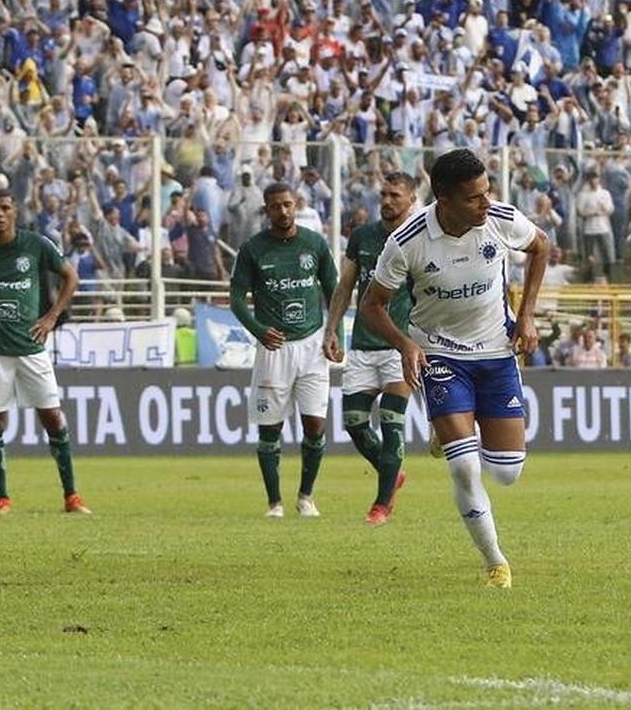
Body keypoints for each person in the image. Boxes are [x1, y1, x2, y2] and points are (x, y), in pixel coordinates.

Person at [360, 148, 549, 588]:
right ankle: (495, 562)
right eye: (474, 198)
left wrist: (528, 315)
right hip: (440, 354)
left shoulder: (500, 218)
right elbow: (372, 305)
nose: (486, 203)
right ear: (443, 200)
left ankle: (450, 432)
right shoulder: (407, 241)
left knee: (506, 472)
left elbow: (541, 246)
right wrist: (404, 343)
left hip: (496, 352)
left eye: (487, 193)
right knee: (464, 467)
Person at [0, 189, 90, 514]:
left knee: (52, 415)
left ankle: (71, 496)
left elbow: (71, 276)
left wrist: (51, 317)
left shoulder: (35, 245)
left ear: (14, 213)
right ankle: (2, 497)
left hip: (31, 346)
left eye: (5, 208)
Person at [229, 182, 339, 518]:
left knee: (316, 426)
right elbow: (236, 299)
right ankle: (274, 503)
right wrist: (259, 331)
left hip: (312, 346)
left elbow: (335, 291)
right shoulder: (252, 250)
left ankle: (306, 497)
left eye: (288, 204)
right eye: (276, 206)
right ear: (267, 209)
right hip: (274, 350)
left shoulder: (314, 244)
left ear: (296, 204)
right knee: (270, 429)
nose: (283, 211)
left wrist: (336, 335)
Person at [323, 172, 416, 526]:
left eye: (395, 195)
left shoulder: (417, 238)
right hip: (362, 345)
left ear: (411, 200)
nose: (388, 201)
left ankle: (381, 504)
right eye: (384, 194)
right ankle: (392, 473)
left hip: (399, 346)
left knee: (392, 423)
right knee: (354, 423)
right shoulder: (362, 237)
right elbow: (345, 286)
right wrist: (331, 329)